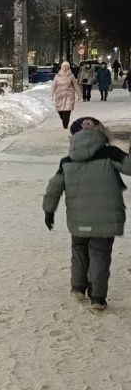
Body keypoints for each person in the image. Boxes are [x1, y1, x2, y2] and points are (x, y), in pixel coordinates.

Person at [43, 117, 131, 311]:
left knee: (79, 249)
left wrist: (49, 211)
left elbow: (53, 188)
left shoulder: (67, 161)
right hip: (105, 219)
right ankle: (98, 298)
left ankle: (78, 288)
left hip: (78, 219)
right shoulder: (111, 153)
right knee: (100, 254)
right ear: (102, 132)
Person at [50, 62, 81, 129]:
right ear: (61, 67)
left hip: (69, 95)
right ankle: (64, 120)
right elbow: (53, 86)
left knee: (67, 111)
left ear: (69, 67)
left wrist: (79, 94)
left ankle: (65, 126)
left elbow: (76, 85)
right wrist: (51, 95)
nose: (65, 67)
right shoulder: (57, 76)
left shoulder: (71, 76)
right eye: (64, 66)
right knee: (60, 111)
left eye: (67, 66)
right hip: (60, 96)